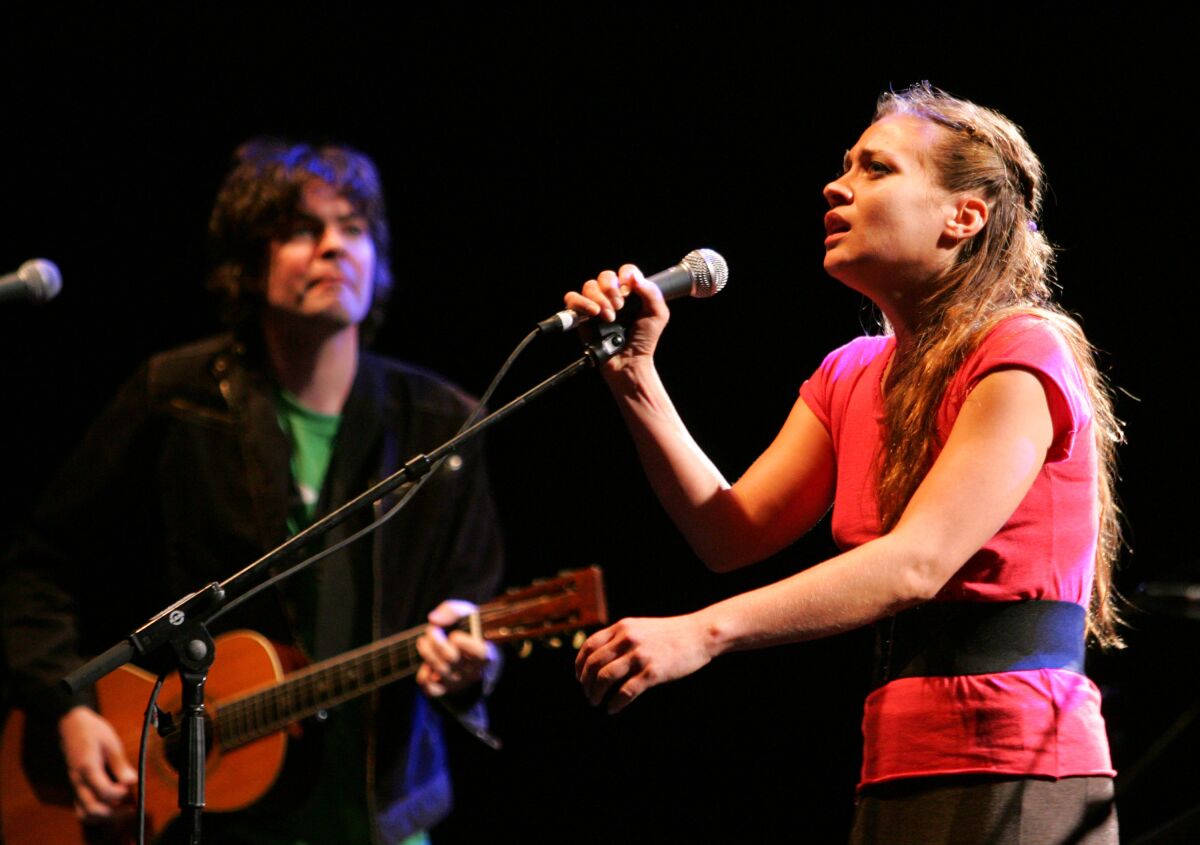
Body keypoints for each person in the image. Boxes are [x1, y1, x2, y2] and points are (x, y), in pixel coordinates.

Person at [570, 84, 1122, 844]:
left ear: (964, 216)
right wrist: (633, 373)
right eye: (844, 167)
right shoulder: (850, 373)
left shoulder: (1021, 349)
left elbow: (917, 561)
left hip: (1022, 759)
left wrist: (702, 633)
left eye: (877, 169)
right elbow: (729, 532)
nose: (838, 185)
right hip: (896, 761)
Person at [0, 139, 503, 844]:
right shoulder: (173, 396)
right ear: (248, 261)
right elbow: (39, 561)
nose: (335, 248)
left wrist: (471, 664)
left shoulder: (446, 425)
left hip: (378, 815)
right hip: (195, 819)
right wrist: (68, 708)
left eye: (354, 229)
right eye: (303, 229)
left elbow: (472, 609)